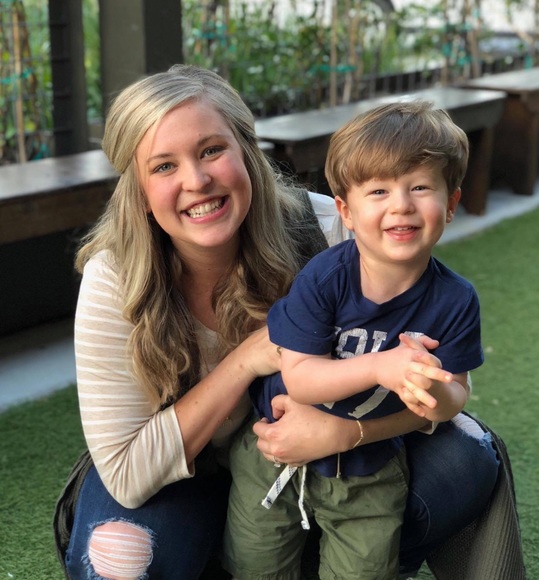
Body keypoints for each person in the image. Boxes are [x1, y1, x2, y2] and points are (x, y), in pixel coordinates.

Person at [53, 64, 505, 580]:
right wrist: (247, 359)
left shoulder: (334, 227)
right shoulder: (115, 278)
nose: (196, 181)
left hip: (323, 462)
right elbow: (128, 475)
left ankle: (335, 557)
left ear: (247, 151)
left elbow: (441, 389)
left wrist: (348, 432)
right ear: (137, 186)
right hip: (185, 477)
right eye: (163, 166)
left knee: (467, 457)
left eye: (211, 150)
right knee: (121, 557)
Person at [223, 101, 484, 580]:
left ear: (450, 203)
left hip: (371, 467)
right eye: (379, 190)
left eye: (420, 187)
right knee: (256, 565)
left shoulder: (456, 299)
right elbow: (300, 379)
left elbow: (456, 396)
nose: (401, 204)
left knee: (364, 571)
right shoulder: (325, 277)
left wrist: (434, 390)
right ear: (346, 211)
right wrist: (382, 366)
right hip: (275, 451)